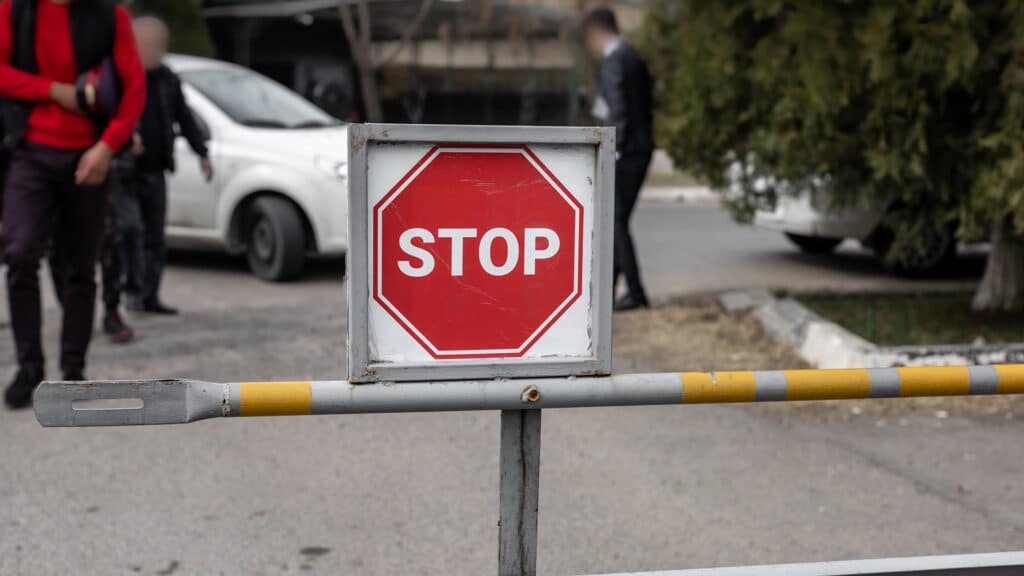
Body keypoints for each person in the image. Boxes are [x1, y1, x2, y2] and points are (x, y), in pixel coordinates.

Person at [0, 0, 145, 408]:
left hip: (89, 154)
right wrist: (52, 90)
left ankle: (73, 370)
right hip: (29, 151)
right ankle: (30, 367)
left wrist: (107, 147)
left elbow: (134, 88)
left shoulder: (107, 14)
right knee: (21, 253)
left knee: (81, 265)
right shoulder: (15, 10)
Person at [124, 16, 212, 315]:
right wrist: (124, 140)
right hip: (124, 170)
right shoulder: (122, 75)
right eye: (146, 44)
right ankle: (130, 293)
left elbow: (184, 118)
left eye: (157, 44)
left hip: (156, 168)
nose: (153, 50)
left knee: (154, 237)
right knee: (130, 231)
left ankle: (150, 296)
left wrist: (202, 152)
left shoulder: (167, 79)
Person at [582, 8, 654, 311]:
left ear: (595, 34)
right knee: (616, 221)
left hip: (626, 150)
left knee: (614, 221)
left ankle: (636, 293)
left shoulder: (614, 60)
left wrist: (614, 146)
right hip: (641, 146)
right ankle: (608, 294)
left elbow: (618, 108)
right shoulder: (632, 56)